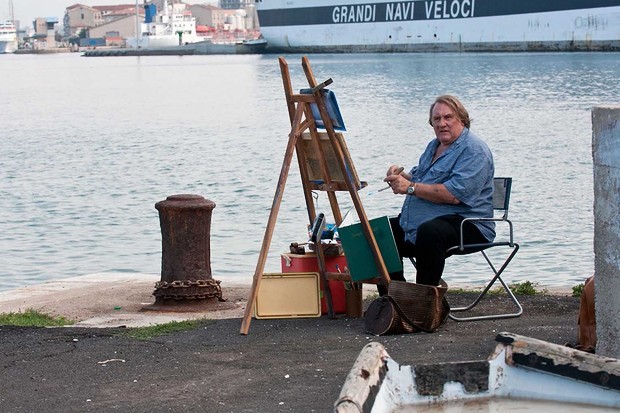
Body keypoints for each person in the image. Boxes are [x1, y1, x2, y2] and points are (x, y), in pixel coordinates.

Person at [383, 95, 495, 288]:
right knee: (378, 233)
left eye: (448, 117)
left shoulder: (474, 150)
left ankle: (424, 303)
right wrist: (401, 177)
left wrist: (409, 187)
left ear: (462, 119)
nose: (442, 123)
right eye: (436, 119)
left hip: (469, 224)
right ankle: (396, 299)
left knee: (430, 232)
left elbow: (454, 195)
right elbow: (420, 179)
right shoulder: (434, 145)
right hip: (424, 222)